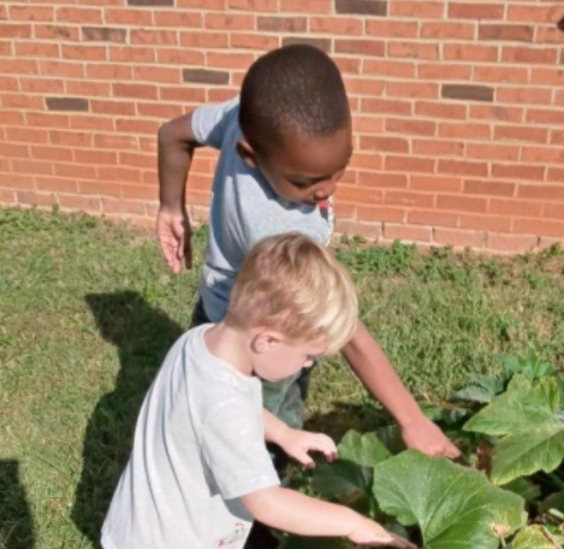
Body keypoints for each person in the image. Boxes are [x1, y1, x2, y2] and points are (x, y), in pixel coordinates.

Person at [101, 233, 414, 549]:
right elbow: (267, 503)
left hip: (157, 525)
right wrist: (350, 522)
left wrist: (284, 433)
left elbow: (236, 405)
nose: (307, 366)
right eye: (308, 355)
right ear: (267, 340)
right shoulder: (222, 406)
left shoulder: (202, 342)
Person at [155, 43, 460, 457]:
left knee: (216, 423)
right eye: (304, 182)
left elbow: (172, 134)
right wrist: (412, 419)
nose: (326, 189)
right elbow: (348, 332)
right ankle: (257, 511)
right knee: (258, 447)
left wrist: (170, 207)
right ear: (250, 155)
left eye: (339, 169)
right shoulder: (280, 227)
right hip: (263, 344)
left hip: (215, 315)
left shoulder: (241, 118)